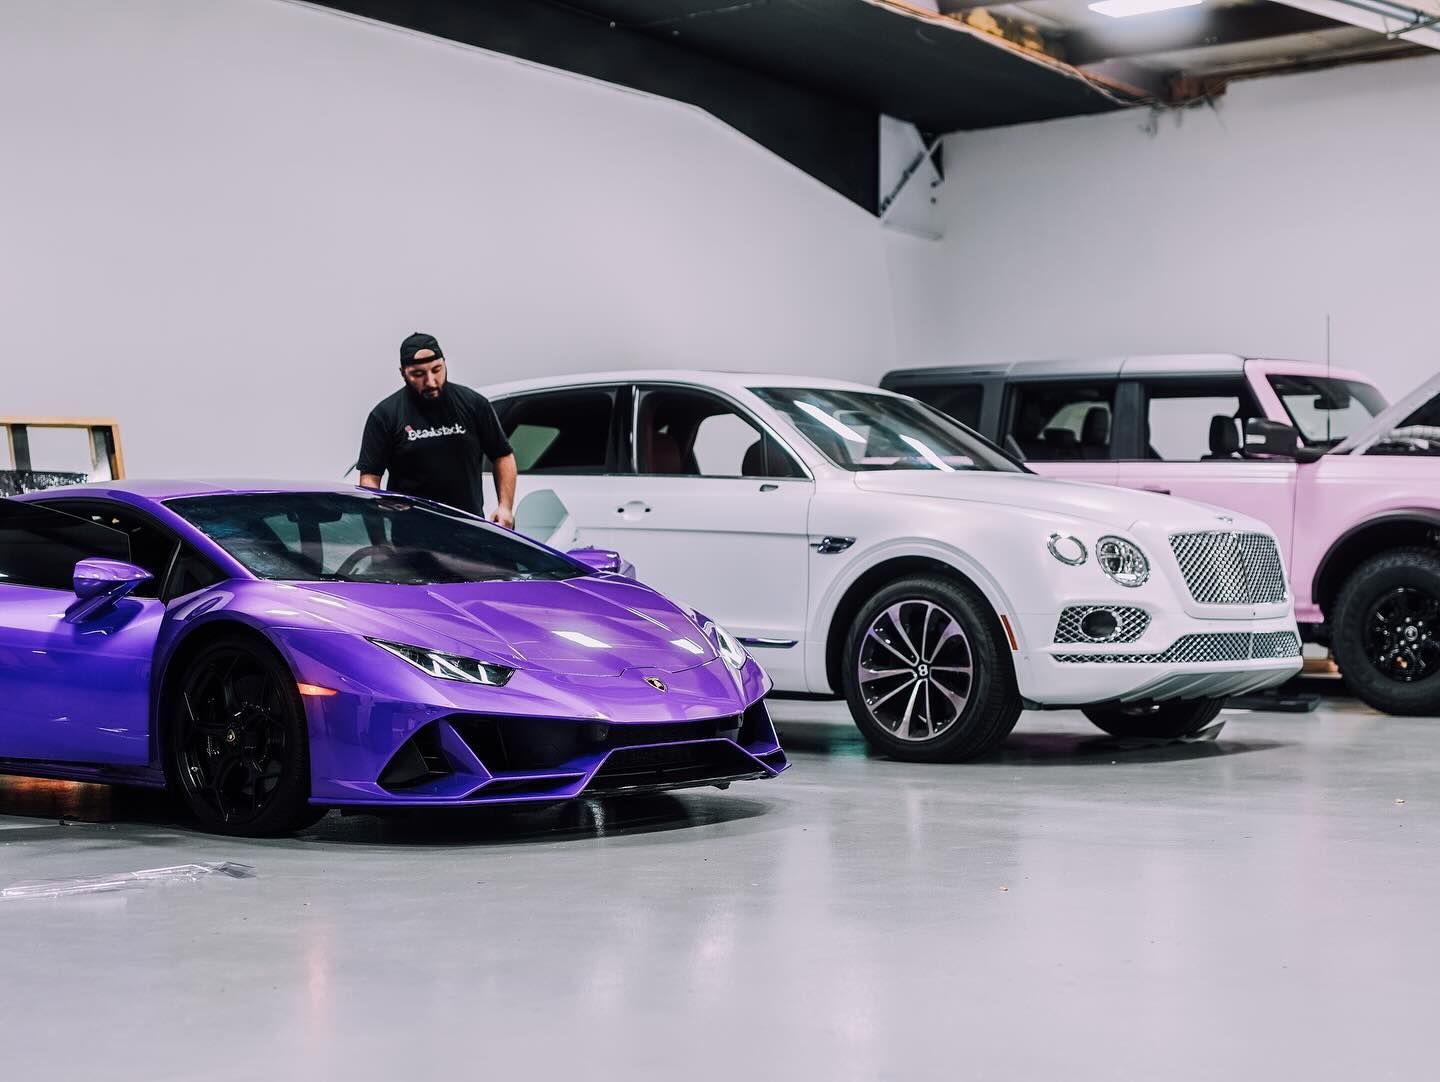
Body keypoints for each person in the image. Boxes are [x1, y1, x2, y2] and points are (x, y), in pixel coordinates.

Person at [356, 332, 517, 528]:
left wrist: (505, 507)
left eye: (437, 370)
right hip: (412, 534)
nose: (431, 381)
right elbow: (370, 478)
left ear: (445, 364)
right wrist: (378, 539)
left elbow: (502, 455)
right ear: (403, 373)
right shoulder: (385, 415)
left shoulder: (473, 404)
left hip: (470, 529)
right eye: (418, 374)